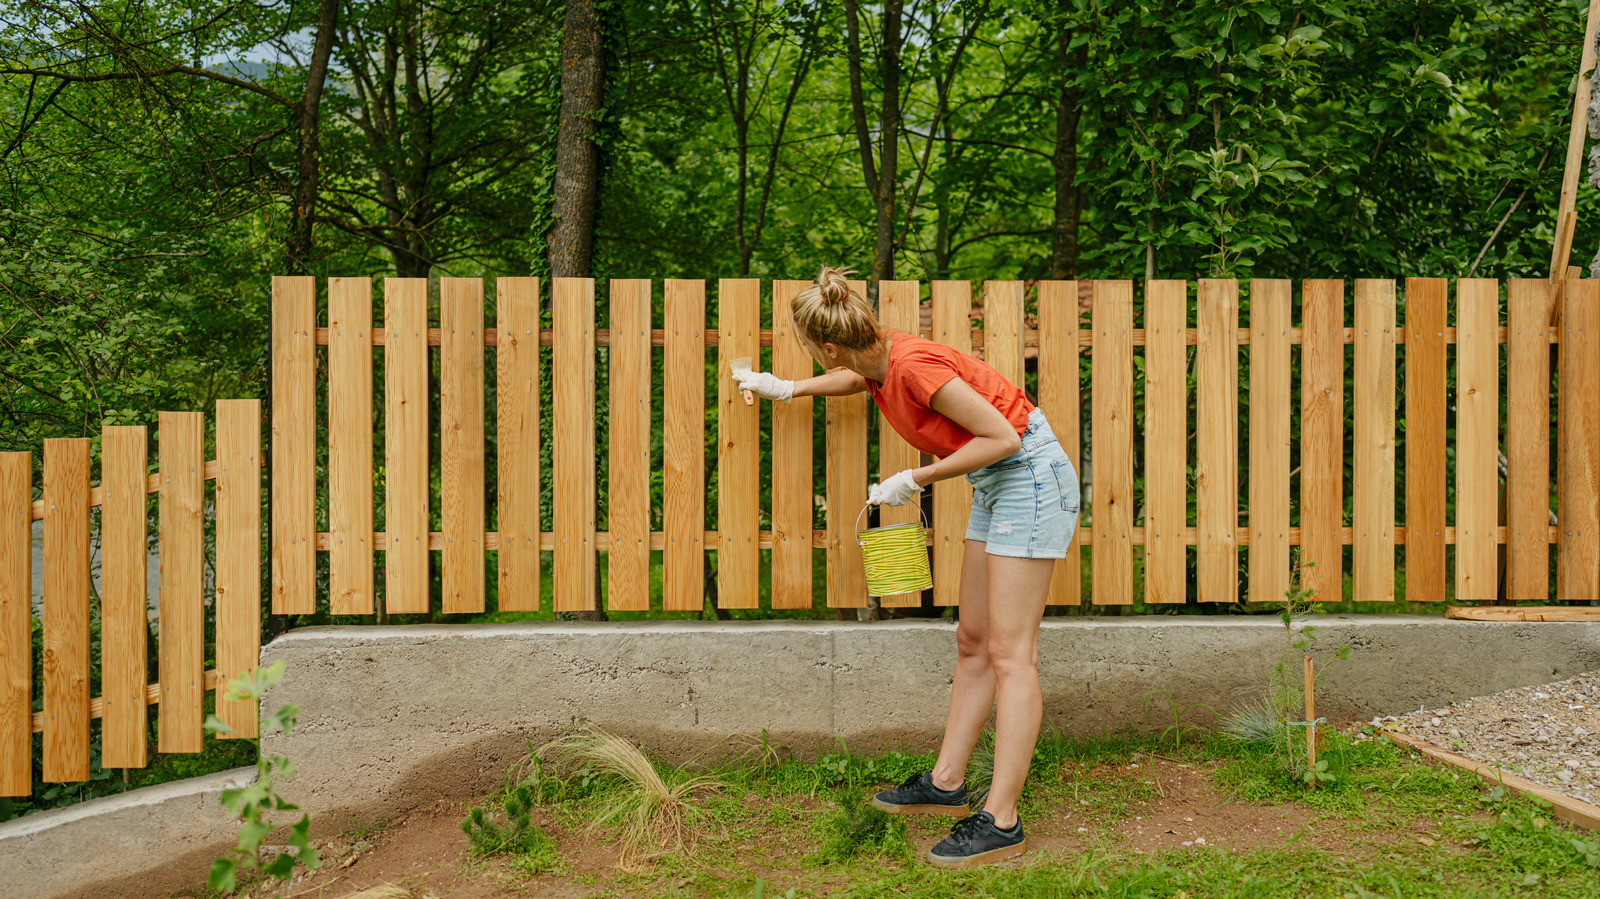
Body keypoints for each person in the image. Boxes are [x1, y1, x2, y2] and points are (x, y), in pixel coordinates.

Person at [732, 266, 1080, 868]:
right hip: (997, 483)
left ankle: (1001, 819)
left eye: (810, 351)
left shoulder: (913, 364)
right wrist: (788, 387)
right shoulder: (877, 357)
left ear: (831, 343)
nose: (815, 358)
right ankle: (947, 784)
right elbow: (855, 379)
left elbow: (1002, 437)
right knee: (973, 639)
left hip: (1028, 477)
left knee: (1010, 654)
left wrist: (913, 477)